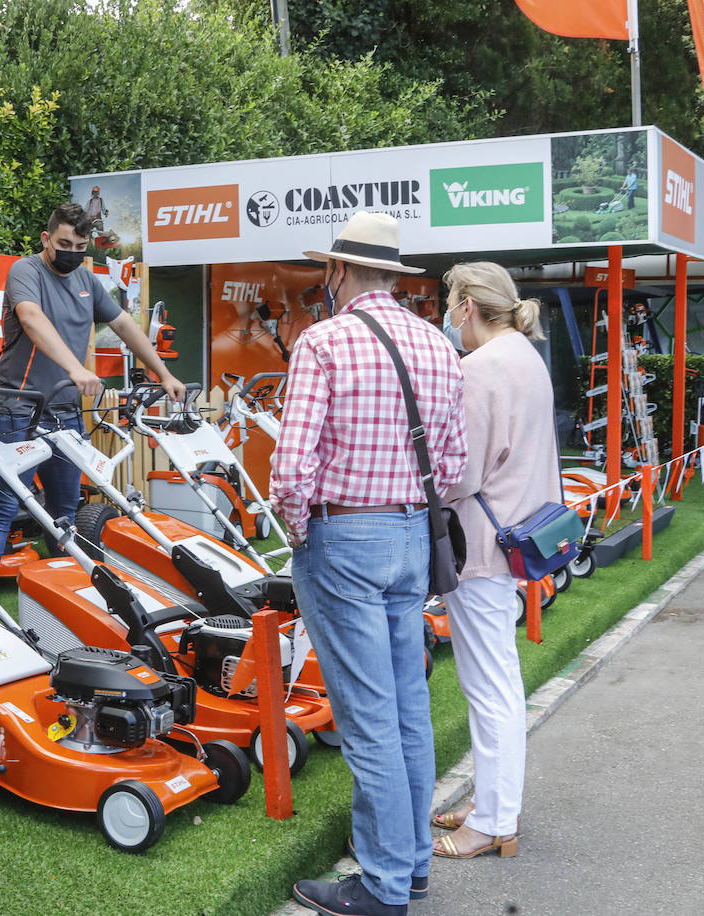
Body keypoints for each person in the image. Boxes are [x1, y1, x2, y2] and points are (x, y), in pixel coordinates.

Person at [272, 211, 467, 916]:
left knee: (368, 721)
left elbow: (292, 472)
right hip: (414, 536)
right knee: (408, 708)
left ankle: (384, 886)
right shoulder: (440, 345)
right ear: (395, 274)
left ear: (338, 270)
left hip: (343, 539)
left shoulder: (322, 342)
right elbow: (452, 464)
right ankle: (410, 867)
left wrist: (300, 533)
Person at [0, 202, 184, 588]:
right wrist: (76, 368)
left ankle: (68, 595)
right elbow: (32, 318)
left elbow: (123, 324)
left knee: (65, 510)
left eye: (81, 246)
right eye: (64, 243)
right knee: (3, 506)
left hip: (65, 414)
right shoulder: (25, 271)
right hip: (20, 409)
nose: (72, 252)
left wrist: (163, 373)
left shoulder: (87, 281)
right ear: (46, 239)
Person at [432, 261, 556, 861]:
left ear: (466, 307)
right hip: (519, 533)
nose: (448, 315)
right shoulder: (527, 354)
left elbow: (462, 473)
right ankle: (492, 804)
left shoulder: (480, 369)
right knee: (496, 682)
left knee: (490, 687)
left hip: (482, 542)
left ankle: (493, 820)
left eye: (450, 302)